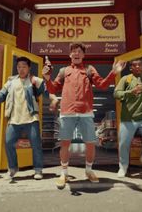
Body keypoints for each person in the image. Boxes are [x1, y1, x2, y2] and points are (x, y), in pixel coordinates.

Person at [42, 42, 126, 189]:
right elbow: (53, 88)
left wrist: (114, 72)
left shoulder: (89, 69)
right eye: (74, 51)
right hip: (67, 112)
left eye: (79, 51)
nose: (76, 53)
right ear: (70, 55)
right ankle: (64, 173)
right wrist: (47, 78)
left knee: (90, 143)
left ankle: (89, 170)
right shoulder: (64, 71)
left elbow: (102, 85)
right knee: (65, 144)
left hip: (86, 112)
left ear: (83, 55)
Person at [0, 56, 58, 181]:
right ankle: (13, 168)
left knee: (36, 144)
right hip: (14, 119)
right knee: (8, 143)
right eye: (19, 67)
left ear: (29, 68)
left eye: (24, 67)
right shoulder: (10, 82)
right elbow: (0, 97)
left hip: (31, 118)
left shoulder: (34, 80)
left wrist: (52, 96)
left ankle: (38, 169)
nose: (21, 69)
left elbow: (46, 89)